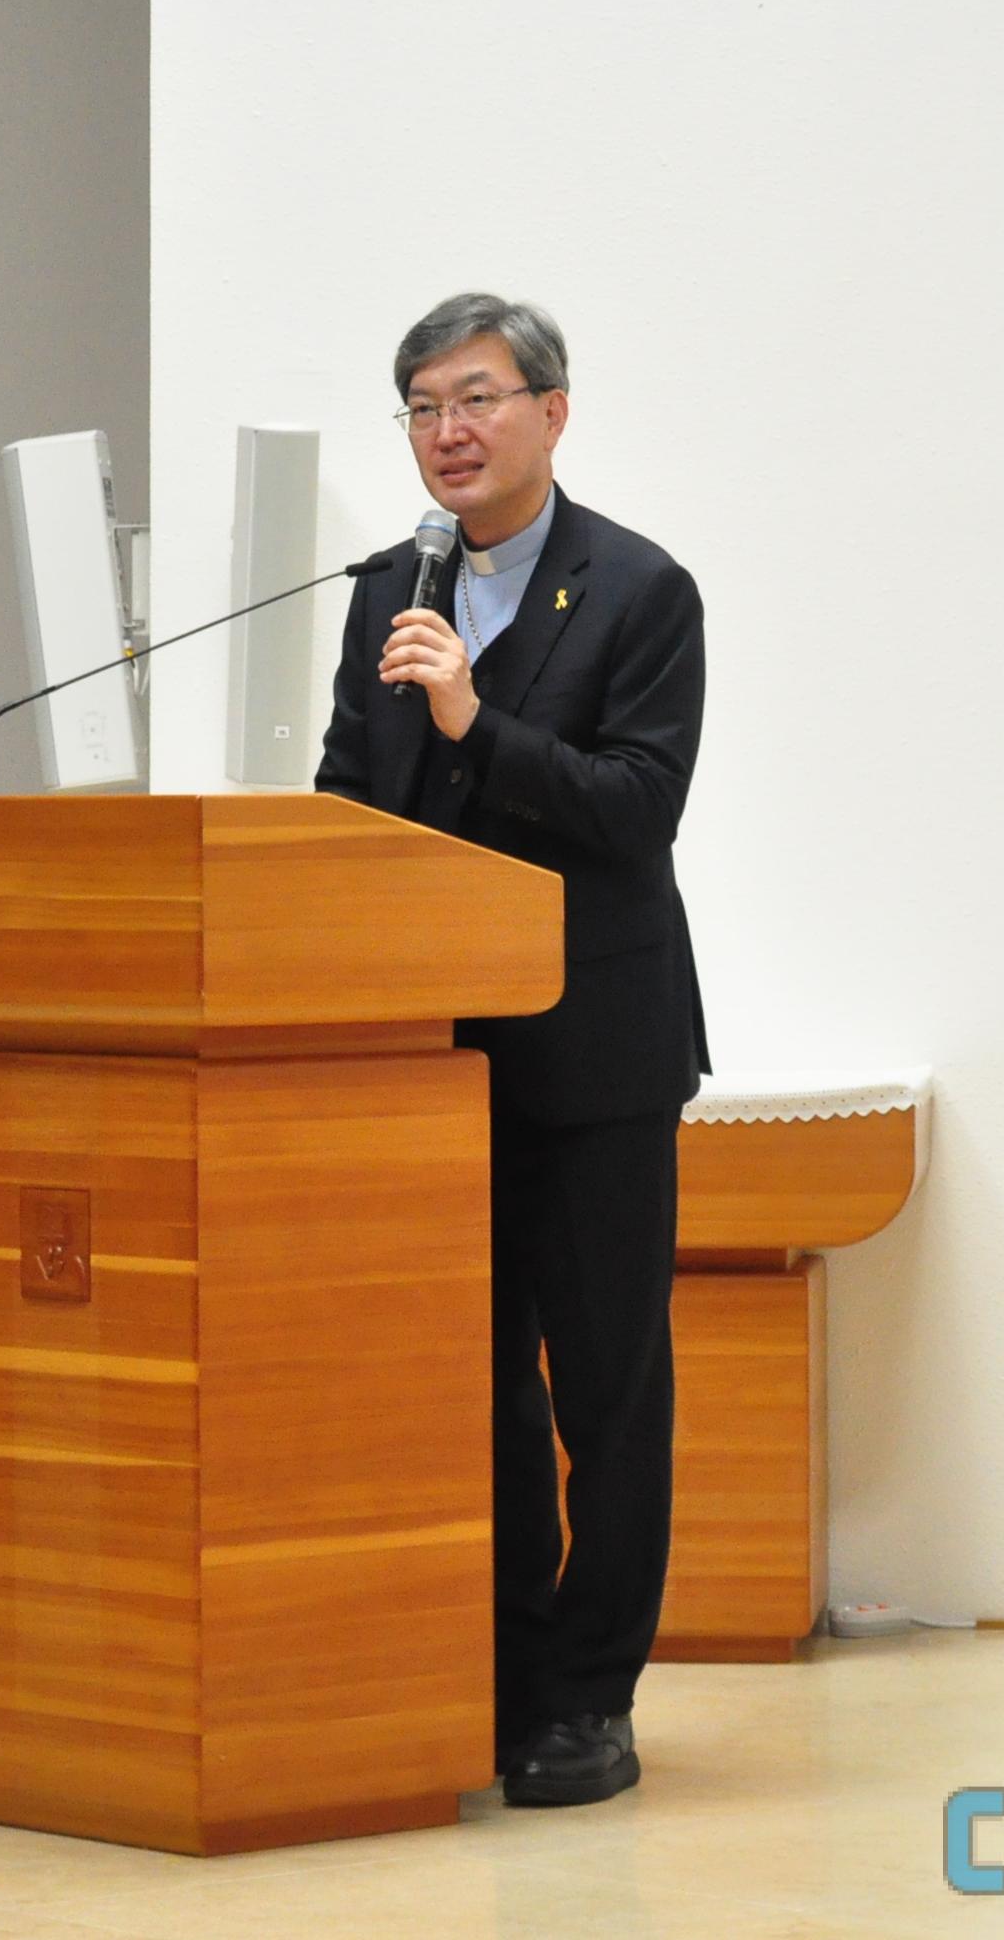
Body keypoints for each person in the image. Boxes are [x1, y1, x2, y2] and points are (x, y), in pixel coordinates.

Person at [316, 292, 708, 1808]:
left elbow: (635, 810)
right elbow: (351, 792)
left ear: (552, 411)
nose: (449, 432)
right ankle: (501, 1670)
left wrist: (474, 720)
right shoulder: (387, 590)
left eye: (476, 399)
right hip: (427, 1058)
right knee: (474, 1387)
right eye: (422, 408)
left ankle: (590, 1699)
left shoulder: (639, 589)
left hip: (594, 1056)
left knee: (607, 1388)